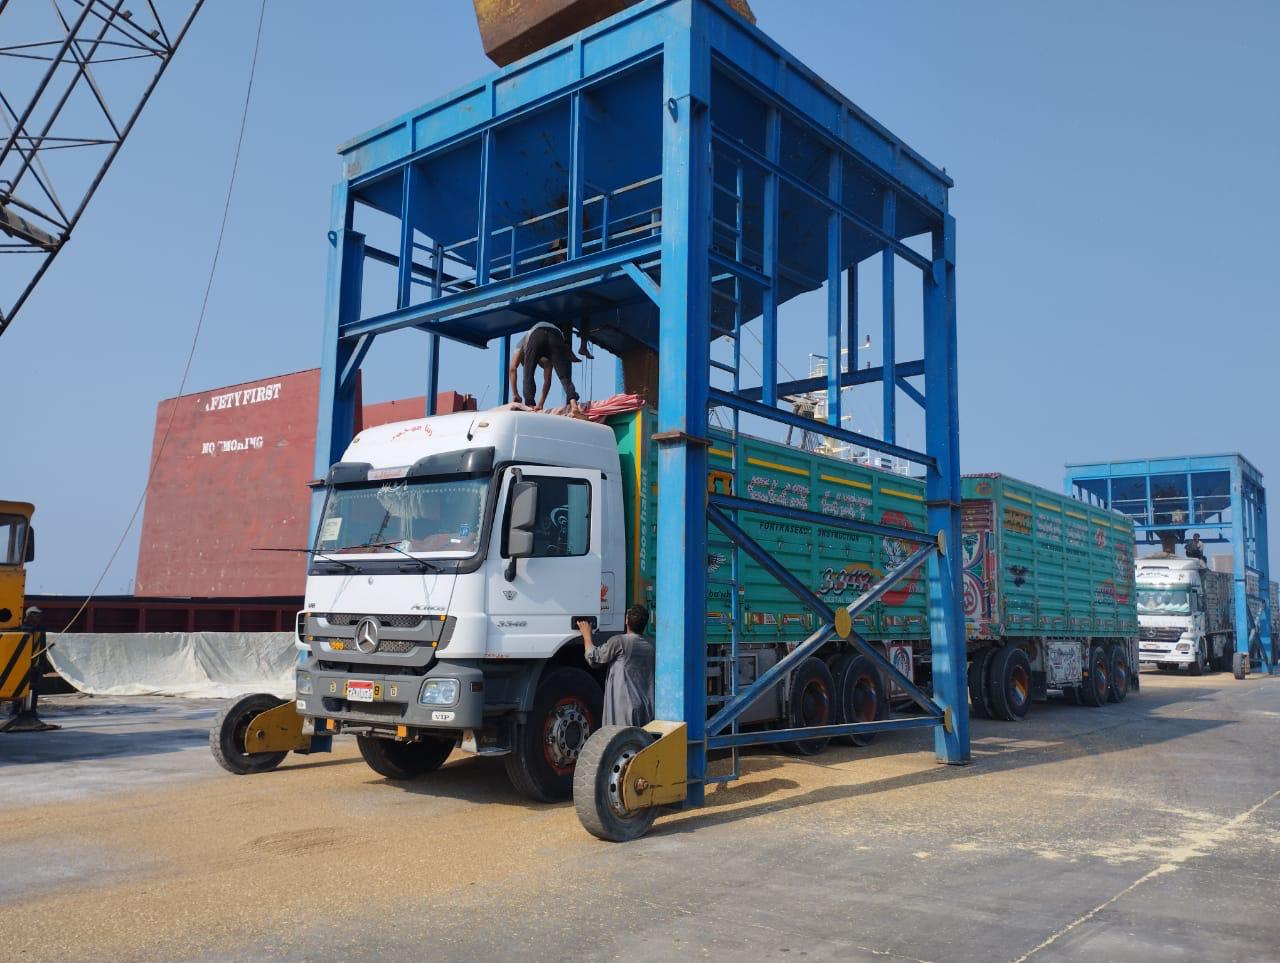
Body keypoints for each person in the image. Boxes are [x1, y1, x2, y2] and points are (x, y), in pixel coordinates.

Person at [578, 605, 654, 727]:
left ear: (626, 621)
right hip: (646, 707)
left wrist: (587, 635)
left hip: (624, 708)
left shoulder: (619, 642)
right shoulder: (651, 644)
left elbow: (594, 657)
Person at [517, 321, 582, 414]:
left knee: (528, 374)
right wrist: (540, 404)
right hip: (555, 335)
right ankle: (574, 405)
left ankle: (530, 406)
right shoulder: (547, 361)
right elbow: (547, 382)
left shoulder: (524, 347)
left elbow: (512, 369)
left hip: (537, 333)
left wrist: (516, 393)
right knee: (564, 376)